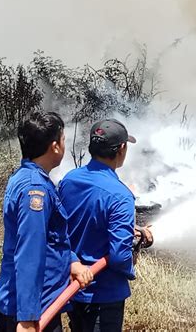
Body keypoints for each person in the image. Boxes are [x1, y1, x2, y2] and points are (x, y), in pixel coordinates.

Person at [0, 111, 93, 332]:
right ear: (55, 146)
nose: (65, 145)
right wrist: (27, 318)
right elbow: (30, 251)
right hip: (33, 312)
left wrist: (72, 262)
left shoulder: (30, 178)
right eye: (64, 139)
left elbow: (52, 239)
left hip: (39, 306)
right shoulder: (35, 190)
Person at [59, 118, 152, 331]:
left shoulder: (69, 180)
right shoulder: (120, 195)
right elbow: (119, 256)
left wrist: (134, 232)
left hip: (73, 288)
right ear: (121, 149)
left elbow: (66, 227)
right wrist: (133, 255)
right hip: (103, 295)